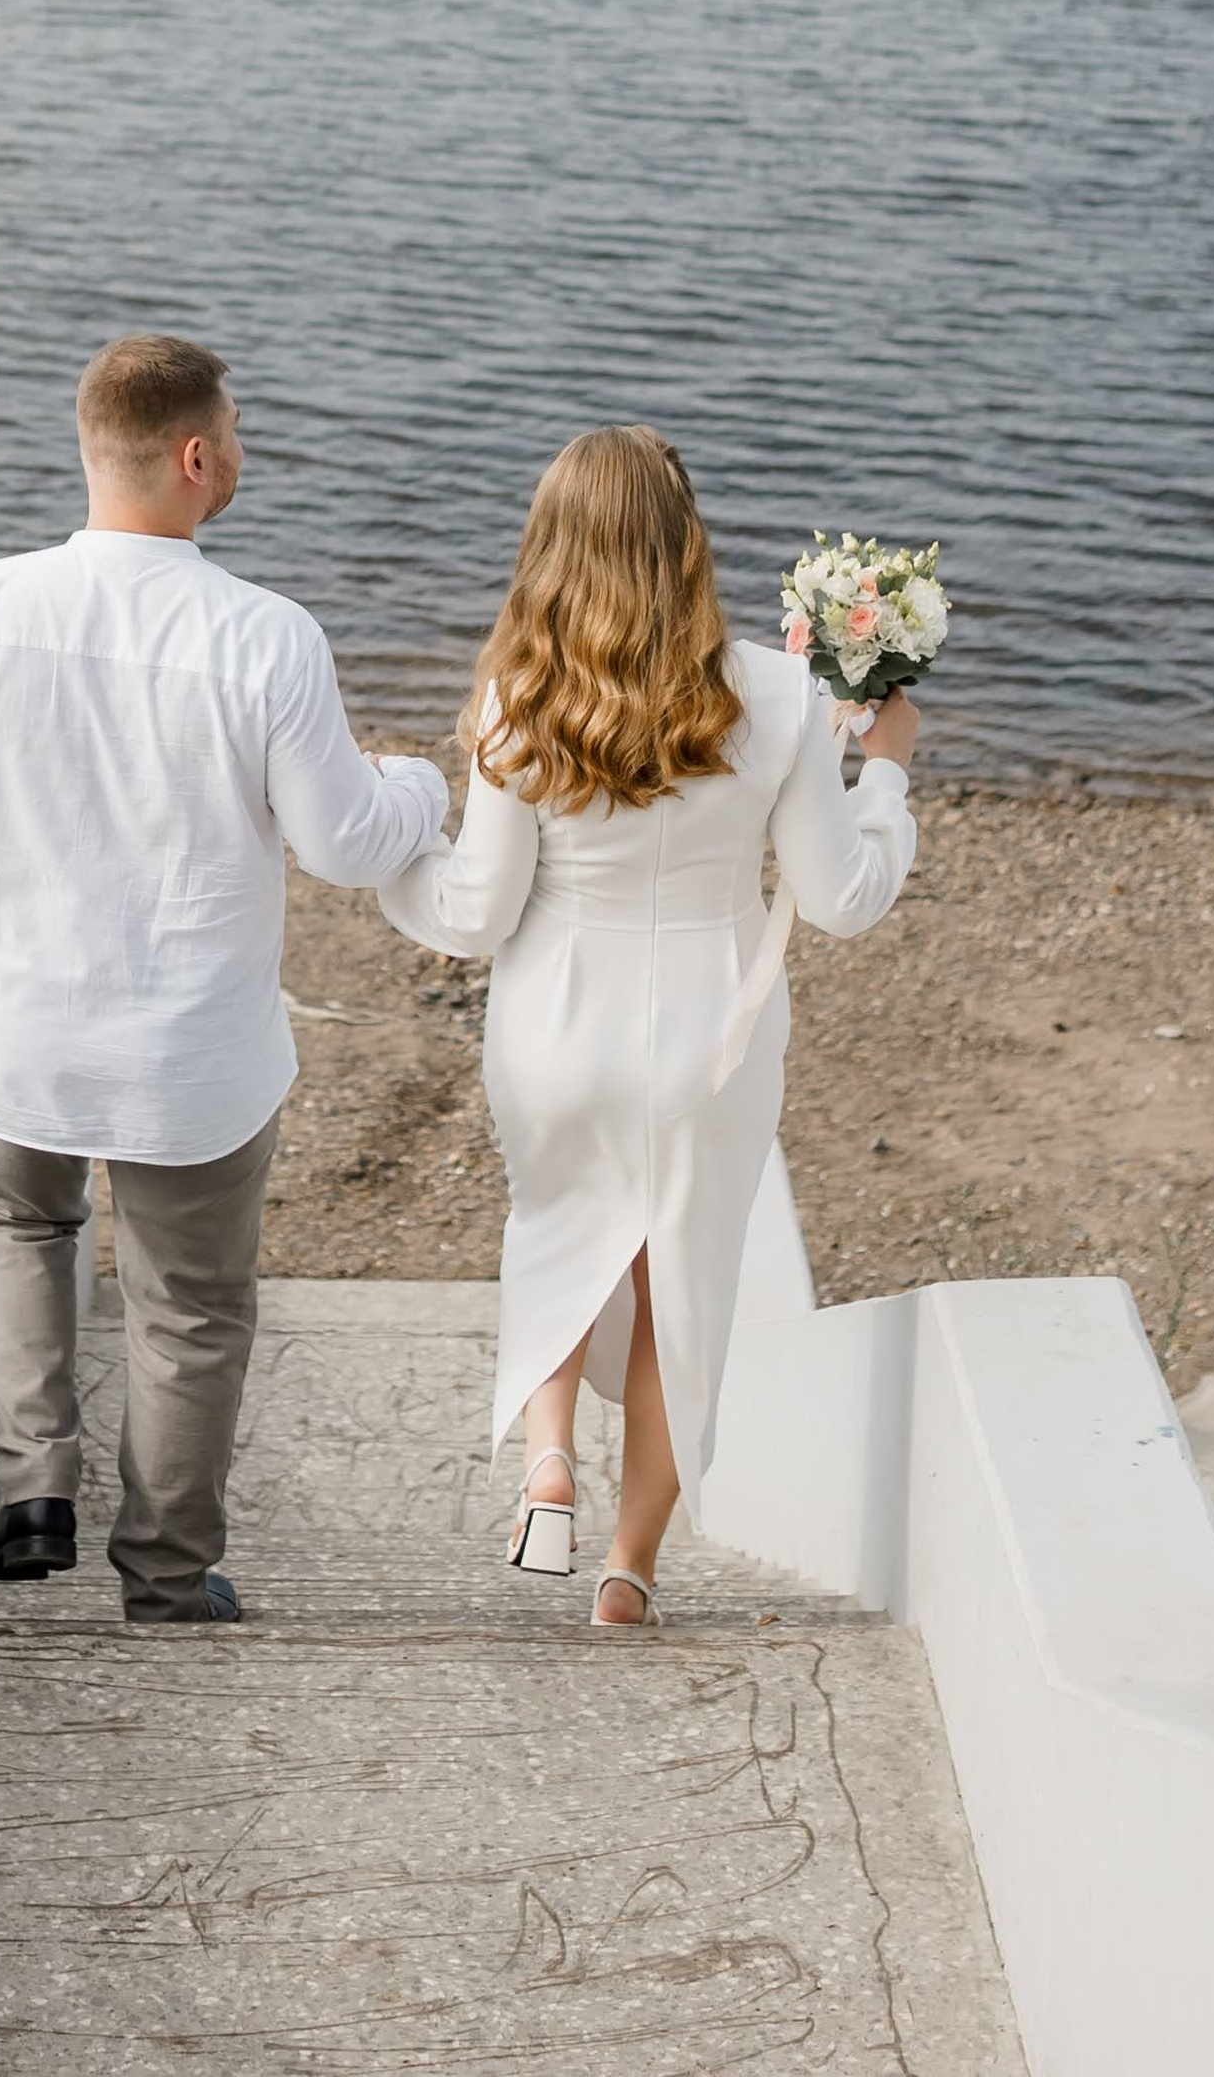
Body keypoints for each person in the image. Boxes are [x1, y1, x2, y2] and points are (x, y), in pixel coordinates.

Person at [0, 334, 447, 1625]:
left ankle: (35, 1479)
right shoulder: (269, 639)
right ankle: (162, 1569)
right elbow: (344, 843)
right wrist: (426, 791)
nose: (245, 453)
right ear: (196, 456)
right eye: (239, 434)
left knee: (10, 1225)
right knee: (192, 1305)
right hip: (190, 1056)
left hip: (21, 1030)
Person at [378, 427, 916, 1627]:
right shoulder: (779, 692)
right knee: (683, 1285)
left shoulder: (518, 692)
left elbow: (473, 914)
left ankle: (548, 1465)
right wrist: (882, 777)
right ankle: (629, 1571)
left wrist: (387, 865)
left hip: (556, 1026)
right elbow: (841, 903)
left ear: (551, 545)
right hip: (711, 1037)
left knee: (561, 1230)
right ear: (687, 542)